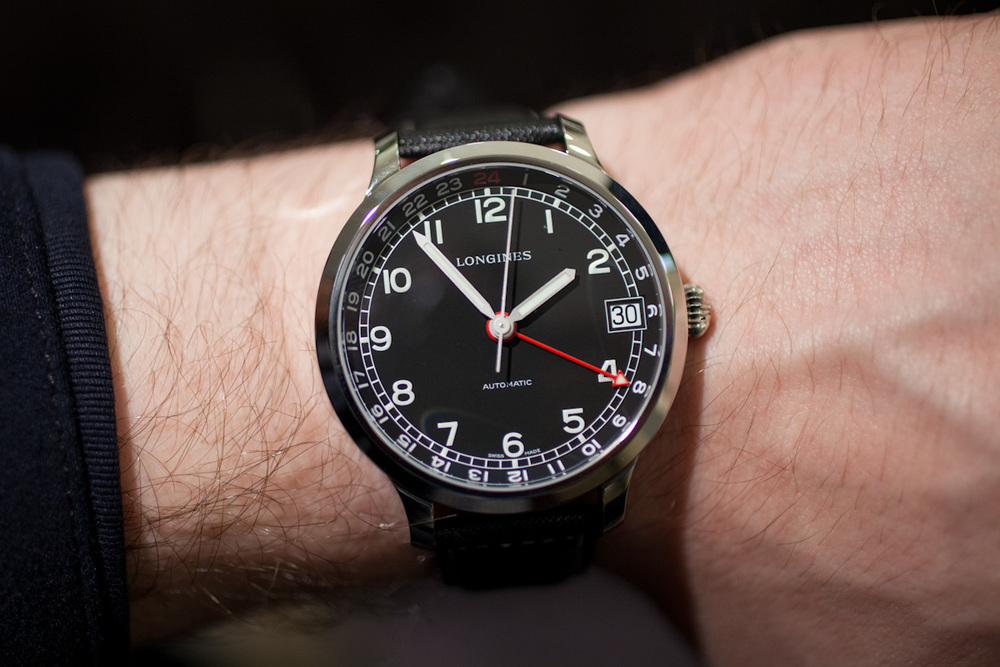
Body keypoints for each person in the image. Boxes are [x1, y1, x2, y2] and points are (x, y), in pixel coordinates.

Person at [2, 13, 998, 665]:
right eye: (499, 326)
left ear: (682, 309)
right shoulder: (391, 252)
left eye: (511, 325)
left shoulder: (638, 301)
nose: (503, 328)